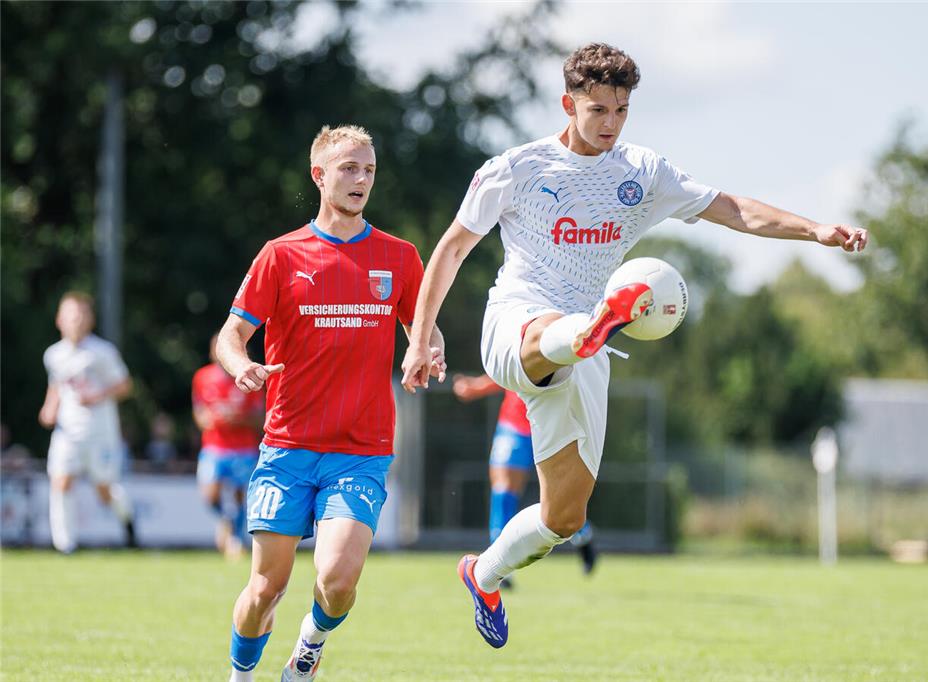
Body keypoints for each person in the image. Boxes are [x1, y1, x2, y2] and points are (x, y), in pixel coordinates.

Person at [401, 42, 868, 648]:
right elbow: (452, 248)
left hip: (586, 354)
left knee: (562, 517)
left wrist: (816, 230)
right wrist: (419, 338)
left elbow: (733, 210)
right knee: (553, 334)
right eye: (598, 110)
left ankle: (482, 573)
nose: (611, 123)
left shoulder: (642, 172)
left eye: (622, 110)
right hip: (518, 324)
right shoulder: (515, 168)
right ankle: (594, 326)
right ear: (568, 104)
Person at [217, 124, 445, 682]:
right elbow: (229, 336)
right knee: (265, 589)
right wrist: (240, 366)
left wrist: (429, 354)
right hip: (288, 447)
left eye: (368, 169)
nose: (361, 179)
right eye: (349, 168)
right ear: (319, 176)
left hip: (361, 451)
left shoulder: (399, 257)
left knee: (339, 580)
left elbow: (426, 332)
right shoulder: (280, 255)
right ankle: (241, 676)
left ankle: (308, 648)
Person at [453, 373, 597, 584]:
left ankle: (582, 533)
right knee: (503, 489)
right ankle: (498, 563)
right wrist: (478, 386)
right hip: (514, 425)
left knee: (559, 498)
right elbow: (509, 365)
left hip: (553, 423)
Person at [38, 291, 137, 553]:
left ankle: (127, 520)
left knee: (104, 491)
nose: (76, 321)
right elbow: (56, 386)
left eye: (81, 315)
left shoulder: (102, 352)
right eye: (71, 315)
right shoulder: (53, 355)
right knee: (61, 481)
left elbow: (125, 386)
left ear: (89, 320)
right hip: (67, 432)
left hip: (100, 432)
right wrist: (49, 408)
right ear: (60, 320)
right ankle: (65, 545)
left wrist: (98, 395)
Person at [193, 334, 264, 559]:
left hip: (243, 447)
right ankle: (226, 522)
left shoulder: (250, 377)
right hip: (214, 446)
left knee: (240, 496)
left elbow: (260, 416)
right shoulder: (203, 377)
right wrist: (206, 420)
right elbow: (199, 410)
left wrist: (238, 419)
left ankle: (235, 539)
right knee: (209, 493)